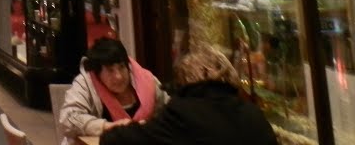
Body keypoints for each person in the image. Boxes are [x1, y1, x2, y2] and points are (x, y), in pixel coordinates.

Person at [101, 47, 277, 145]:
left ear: (187, 79)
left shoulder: (183, 113)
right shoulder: (253, 113)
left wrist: (121, 127)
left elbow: (114, 141)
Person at [58, 37, 169, 145]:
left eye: (121, 67)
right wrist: (110, 126)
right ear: (98, 73)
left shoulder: (145, 79)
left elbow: (170, 110)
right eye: (110, 70)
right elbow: (68, 120)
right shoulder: (86, 82)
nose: (119, 76)